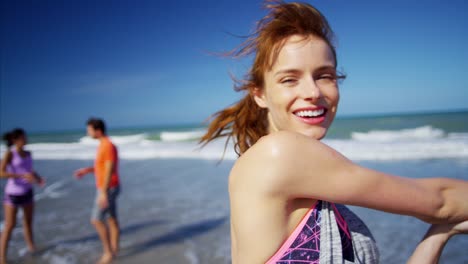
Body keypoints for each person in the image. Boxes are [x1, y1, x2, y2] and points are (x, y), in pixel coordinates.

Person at [200, 1, 468, 263]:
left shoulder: (274, 166)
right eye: (289, 79)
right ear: (259, 94)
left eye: (324, 75)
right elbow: (440, 201)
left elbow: (441, 209)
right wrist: (442, 214)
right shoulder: (279, 153)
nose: (313, 92)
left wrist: (439, 234)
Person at [74, 118, 120, 264]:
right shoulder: (103, 145)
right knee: (111, 219)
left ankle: (108, 253)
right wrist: (87, 170)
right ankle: (114, 248)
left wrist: (103, 192)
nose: (88, 132)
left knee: (96, 220)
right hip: (110, 186)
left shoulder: (107, 145)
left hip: (108, 188)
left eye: (89, 130)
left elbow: (109, 169)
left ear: (97, 130)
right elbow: (102, 167)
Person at [0, 128, 45, 264]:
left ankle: (32, 248)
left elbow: (29, 170)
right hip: (13, 193)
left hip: (28, 192)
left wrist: (38, 178)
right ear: (15, 140)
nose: (25, 140)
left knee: (28, 222)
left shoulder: (28, 153)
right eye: (22, 138)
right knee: (10, 225)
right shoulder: (10, 154)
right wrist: (20, 176)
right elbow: (1, 173)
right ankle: (2, 257)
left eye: (25, 137)